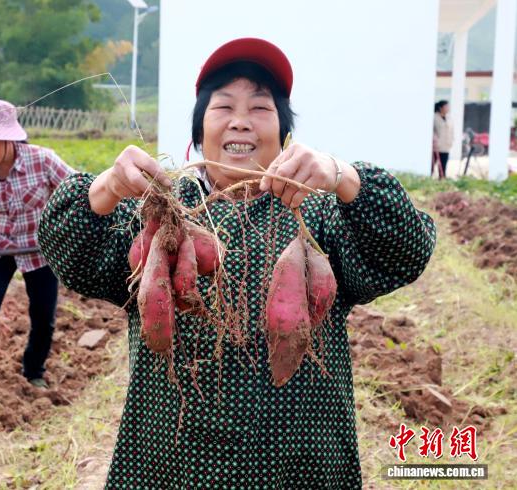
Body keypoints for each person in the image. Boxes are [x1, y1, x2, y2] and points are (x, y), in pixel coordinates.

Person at [37, 38, 437, 488]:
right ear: (198, 132)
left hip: (298, 463)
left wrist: (343, 176)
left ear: (285, 134)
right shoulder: (159, 212)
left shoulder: (321, 213)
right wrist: (107, 187)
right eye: (223, 106)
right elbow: (71, 255)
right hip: (171, 462)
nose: (241, 121)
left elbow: (408, 252)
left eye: (260, 108)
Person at [0, 99, 75, 388]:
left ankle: (34, 372)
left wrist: (65, 229)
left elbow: (77, 190)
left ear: (9, 139)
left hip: (40, 248)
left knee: (43, 316)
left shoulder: (43, 160)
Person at [433, 100, 453, 179]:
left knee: (443, 166)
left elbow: (451, 130)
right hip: (436, 147)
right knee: (432, 166)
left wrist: (451, 140)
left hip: (446, 146)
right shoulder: (434, 117)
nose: (448, 108)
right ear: (440, 108)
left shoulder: (449, 118)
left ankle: (442, 181)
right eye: (446, 106)